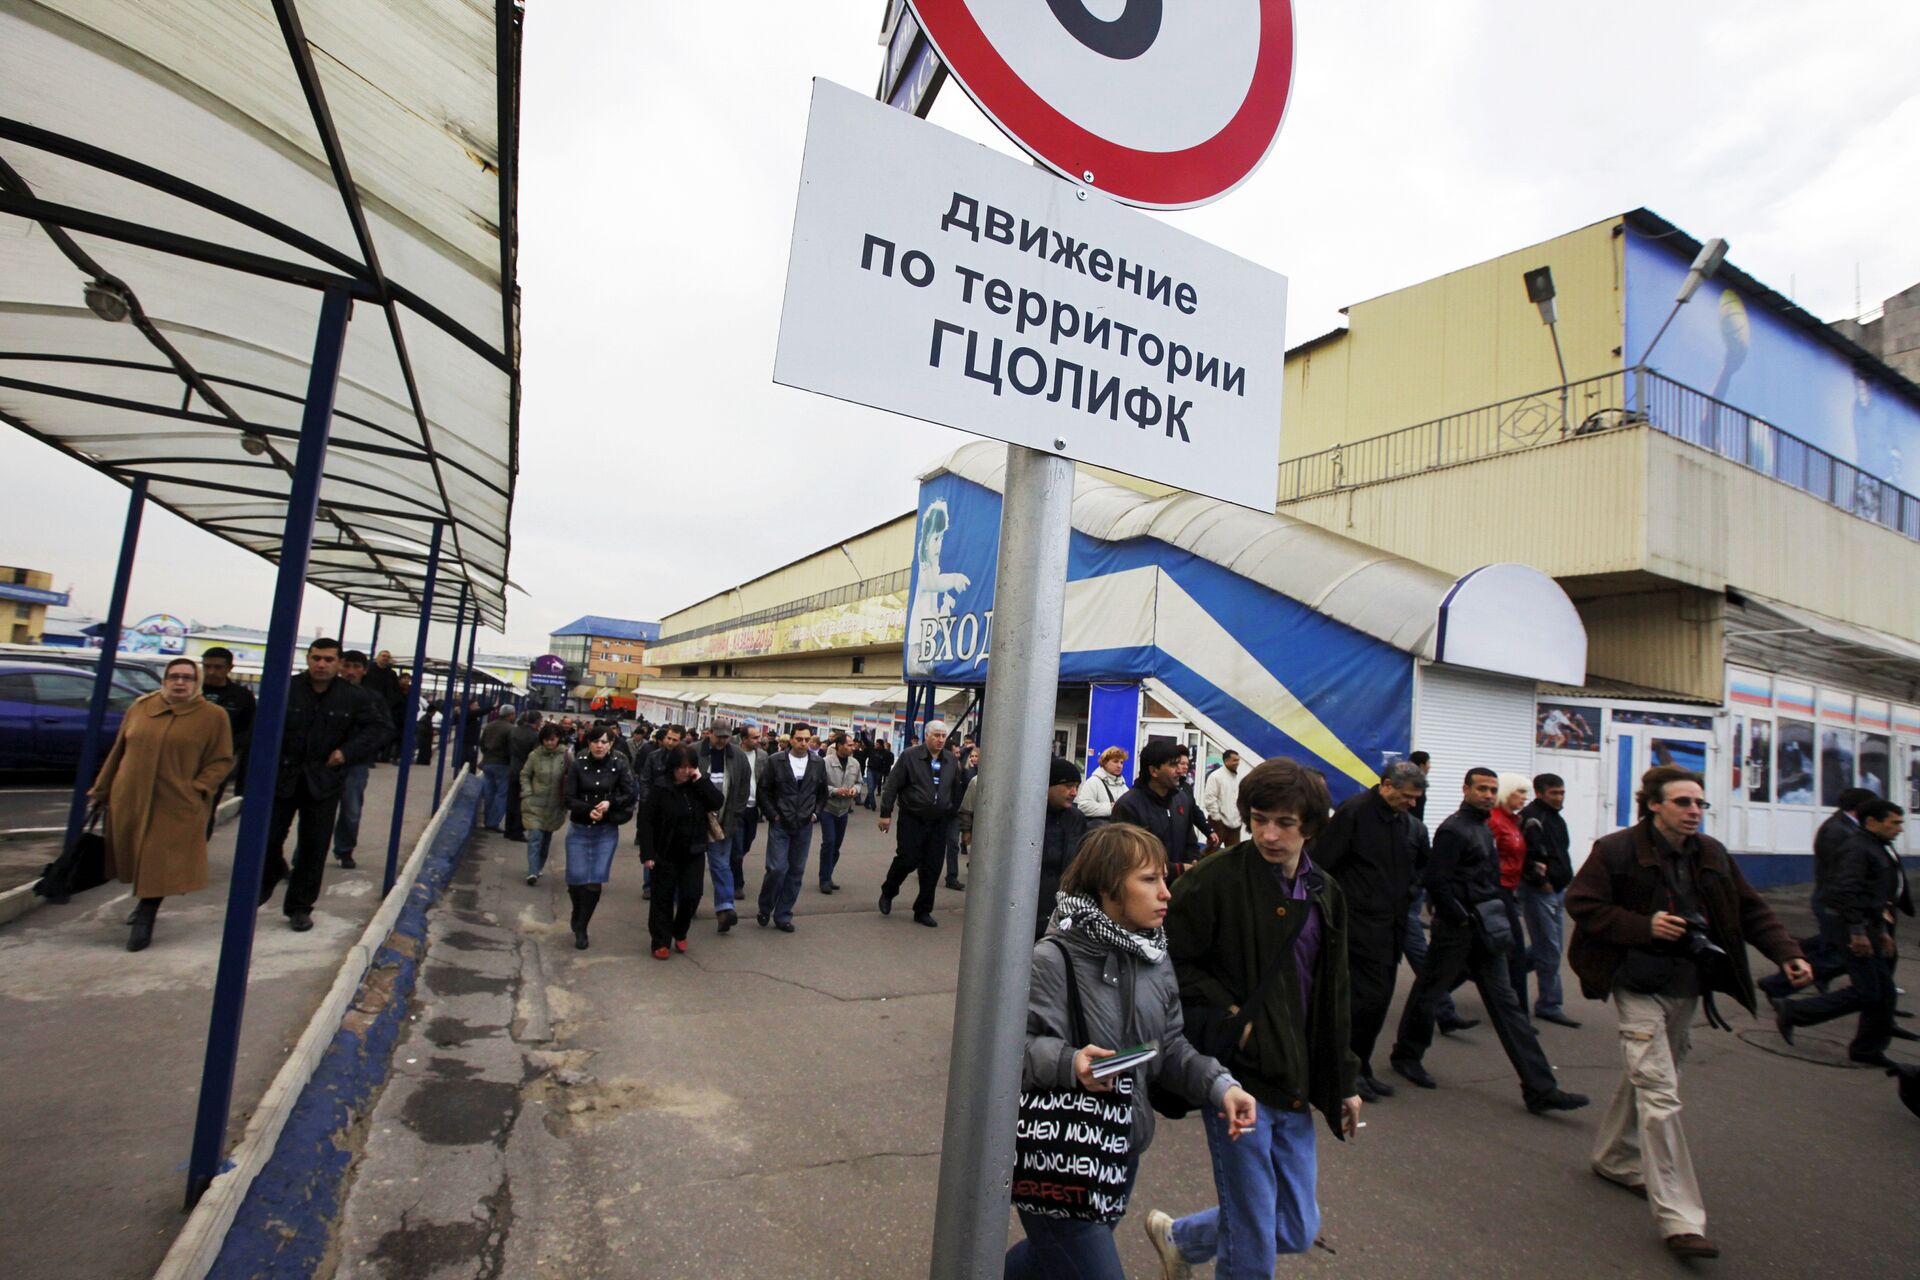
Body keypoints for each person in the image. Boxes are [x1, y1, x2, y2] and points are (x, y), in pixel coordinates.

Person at [1567, 764, 1810, 1261]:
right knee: (1660, 1091)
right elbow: (1582, 903)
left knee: (1653, 1077)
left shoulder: (1713, 855)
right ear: (1654, 804)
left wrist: (1788, 952)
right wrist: (1644, 926)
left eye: (1700, 803)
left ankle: (1614, 1157)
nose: (1694, 811)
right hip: (1634, 982)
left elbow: (1751, 910)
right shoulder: (1616, 850)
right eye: (1683, 802)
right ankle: (1680, 1218)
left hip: (1687, 986)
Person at [1007, 824, 1256, 1280]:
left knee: (1044, 1263)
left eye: (1164, 878)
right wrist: (1070, 1062)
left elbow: (1170, 1047)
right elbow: (1008, 1053)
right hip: (1061, 1150)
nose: (1166, 893)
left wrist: (1222, 1087)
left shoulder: (1154, 955)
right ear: (1108, 888)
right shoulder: (1053, 958)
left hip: (1121, 1148)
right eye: (1149, 880)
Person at [1147, 758, 1361, 1280]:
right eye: (1259, 818)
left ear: (1309, 824)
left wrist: (1345, 1080)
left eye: (1284, 823)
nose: (1269, 833)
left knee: (1294, 1226)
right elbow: (1168, 958)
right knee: (1252, 1242)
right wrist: (1234, 1017)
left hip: (1296, 1078)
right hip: (1237, 1078)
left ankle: (1180, 1238)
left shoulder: (1325, 892)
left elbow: (1332, 994)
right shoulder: (1216, 880)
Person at [1387, 767, 1590, 1114]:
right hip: (1457, 931)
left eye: (1491, 789)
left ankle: (1540, 1088)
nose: (1486, 794)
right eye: (1480, 788)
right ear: (1465, 788)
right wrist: (1460, 917)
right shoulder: (1453, 829)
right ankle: (1406, 1056)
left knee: (1507, 1007)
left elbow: (1490, 879)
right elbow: (1436, 880)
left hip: (1485, 931)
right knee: (1429, 994)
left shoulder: (1483, 828)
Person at [88, 657, 234, 951]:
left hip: (177, 802)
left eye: (188, 678)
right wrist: (101, 790)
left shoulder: (212, 716)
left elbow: (221, 760)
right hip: (130, 796)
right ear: (165, 679)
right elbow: (119, 750)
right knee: (135, 855)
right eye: (174, 676)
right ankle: (141, 902)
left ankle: (146, 913)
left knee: (160, 860)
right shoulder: (141, 707)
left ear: (198, 683)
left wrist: (199, 788)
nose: (180, 682)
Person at [1312, 759, 1429, 1102]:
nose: (1412, 804)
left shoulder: (1403, 822)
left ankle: (1361, 1067)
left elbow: (1415, 866)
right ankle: (1344, 1073)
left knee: (1378, 1002)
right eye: (1407, 796)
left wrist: (1409, 893)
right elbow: (1323, 863)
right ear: (1387, 785)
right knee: (1360, 1003)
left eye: (1416, 799)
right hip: (1358, 928)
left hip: (1392, 926)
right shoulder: (1356, 813)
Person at [261, 639, 388, 932]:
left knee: (313, 846)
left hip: (323, 781)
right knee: (268, 837)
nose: (322, 664)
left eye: (329, 659)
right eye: (316, 658)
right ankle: (269, 874)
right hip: (284, 777)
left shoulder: (353, 697)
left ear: (338, 663)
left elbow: (380, 728)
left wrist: (348, 752)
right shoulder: (287, 688)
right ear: (307, 659)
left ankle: (299, 907)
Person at [1775, 797, 1906, 1067]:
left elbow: (1876, 894)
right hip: (1851, 927)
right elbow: (1846, 892)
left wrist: (1881, 930)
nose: (1900, 828)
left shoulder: (1877, 846)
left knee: (1884, 992)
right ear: (1872, 822)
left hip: (1869, 924)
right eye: (1894, 823)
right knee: (1868, 991)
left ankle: (1868, 1049)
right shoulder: (1857, 848)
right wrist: (1858, 933)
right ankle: (1795, 1011)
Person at [1398, 750, 1469, 1033]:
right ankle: (1442, 1009)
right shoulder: (1379, 819)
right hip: (1393, 905)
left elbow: (1421, 862)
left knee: (1420, 956)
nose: (1413, 801)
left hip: (1403, 899)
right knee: (1421, 956)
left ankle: (1443, 1009)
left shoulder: (1413, 828)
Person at [878, 718, 963, 928]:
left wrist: (952, 810)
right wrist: (885, 813)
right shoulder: (910, 756)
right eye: (936, 735)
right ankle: (889, 890)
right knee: (908, 858)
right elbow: (892, 784)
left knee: (932, 867)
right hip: (912, 818)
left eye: (944, 736)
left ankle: (923, 910)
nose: (941, 740)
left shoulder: (951, 760)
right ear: (926, 736)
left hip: (939, 821)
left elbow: (956, 788)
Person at [641, 744, 724, 959]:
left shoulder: (697, 785)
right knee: (663, 898)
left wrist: (701, 781)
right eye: (682, 767)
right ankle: (660, 940)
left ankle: (680, 930)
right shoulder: (661, 787)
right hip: (665, 852)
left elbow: (717, 801)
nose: (686, 771)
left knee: (691, 895)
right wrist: (648, 854)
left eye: (691, 767)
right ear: (673, 767)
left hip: (693, 851)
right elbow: (647, 822)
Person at [563, 725, 636, 950]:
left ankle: (582, 926)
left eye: (604, 742)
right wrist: (587, 809)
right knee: (576, 878)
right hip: (580, 828)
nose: (600, 745)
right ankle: (577, 911)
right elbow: (568, 797)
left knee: (595, 880)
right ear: (589, 743)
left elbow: (629, 793)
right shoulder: (578, 765)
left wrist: (609, 803)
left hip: (605, 830)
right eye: (596, 741)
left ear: (611, 744)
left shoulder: (619, 765)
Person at [756, 723, 829, 932]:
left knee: (796, 871)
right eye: (799, 739)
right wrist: (774, 815)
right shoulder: (776, 761)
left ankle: (783, 914)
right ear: (791, 740)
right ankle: (765, 906)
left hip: (804, 824)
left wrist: (816, 813)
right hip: (781, 823)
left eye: (807, 739)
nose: (803, 743)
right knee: (777, 868)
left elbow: (822, 792)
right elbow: (764, 791)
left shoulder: (817, 763)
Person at [1519, 772, 1579, 1027]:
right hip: (1539, 892)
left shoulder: (1555, 818)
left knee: (1547, 947)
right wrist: (1542, 883)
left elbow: (1560, 852)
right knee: (1550, 948)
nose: (1559, 797)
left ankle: (1495, 970)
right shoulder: (1533, 818)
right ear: (1540, 793)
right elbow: (1528, 856)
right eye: (1554, 793)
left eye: (1562, 792)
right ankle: (1549, 1004)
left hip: (1556, 890)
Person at [330, 650, 394, 869]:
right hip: (325, 762)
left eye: (356, 667)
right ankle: (306, 854)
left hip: (355, 762)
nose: (350, 672)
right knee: (316, 812)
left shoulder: (373, 698)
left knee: (351, 809)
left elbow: (384, 729)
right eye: (347, 666)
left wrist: (358, 750)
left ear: (364, 670)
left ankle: (345, 850)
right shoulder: (327, 693)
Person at [1112, 740, 1204, 875]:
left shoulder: (1182, 800)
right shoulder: (1128, 806)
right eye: (1173, 765)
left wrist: (1194, 861)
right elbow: (1130, 859)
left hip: (1181, 888)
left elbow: (1190, 842)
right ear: (1154, 771)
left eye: (1180, 763)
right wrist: (1178, 869)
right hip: (1146, 890)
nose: (1179, 770)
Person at [697, 722, 751, 931]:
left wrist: (734, 814)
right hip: (696, 821)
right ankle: (685, 903)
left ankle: (725, 909)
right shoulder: (695, 752)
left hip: (723, 821)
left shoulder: (737, 757)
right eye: (718, 736)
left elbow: (743, 788)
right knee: (689, 865)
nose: (722, 740)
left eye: (726, 737)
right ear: (709, 733)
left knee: (721, 865)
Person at [1488, 773, 1535, 1010]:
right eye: (1521, 792)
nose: (1525, 798)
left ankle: (1439, 1002)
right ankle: (1519, 1012)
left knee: (1488, 954)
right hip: (1498, 891)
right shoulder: (1495, 821)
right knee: (1514, 950)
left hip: (1508, 890)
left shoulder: (1511, 821)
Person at [1033, 757, 1092, 940]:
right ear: (1048, 785)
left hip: (1065, 907)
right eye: (1068, 786)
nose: (1074, 792)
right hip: (1033, 907)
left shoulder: (1077, 818)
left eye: (1076, 786)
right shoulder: (1030, 816)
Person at [199, 646, 254, 825]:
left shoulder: (241, 697)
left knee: (206, 811)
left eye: (217, 667)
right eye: (206, 666)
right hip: (183, 758)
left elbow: (247, 731)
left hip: (217, 762)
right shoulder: (192, 692)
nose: (211, 672)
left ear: (229, 668)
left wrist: (227, 749)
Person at [518, 723, 569, 885]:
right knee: (535, 837)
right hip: (534, 804)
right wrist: (527, 792)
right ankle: (532, 871)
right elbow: (525, 775)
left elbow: (572, 776)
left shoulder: (566, 756)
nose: (549, 743)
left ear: (558, 739)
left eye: (552, 740)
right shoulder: (534, 756)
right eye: (546, 740)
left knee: (546, 839)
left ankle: (538, 867)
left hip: (555, 806)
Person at [820, 732, 864, 894]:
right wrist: (835, 791)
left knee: (836, 846)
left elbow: (859, 783)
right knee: (829, 842)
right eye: (849, 745)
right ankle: (824, 878)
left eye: (853, 745)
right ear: (839, 746)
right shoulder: (825, 763)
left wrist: (855, 790)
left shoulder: (855, 764)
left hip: (843, 810)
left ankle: (829, 874)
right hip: (828, 808)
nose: (853, 747)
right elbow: (819, 785)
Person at [476, 705, 515, 833]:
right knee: (502, 794)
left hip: (488, 762)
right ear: (511, 715)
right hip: (503, 764)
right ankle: (493, 822)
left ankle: (487, 819)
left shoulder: (489, 725)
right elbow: (511, 748)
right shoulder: (510, 729)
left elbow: (481, 743)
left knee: (489, 792)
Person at [505, 710, 543, 842]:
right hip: (526, 773)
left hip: (513, 770)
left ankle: (508, 829)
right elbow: (537, 756)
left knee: (511, 801)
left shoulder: (514, 731)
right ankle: (517, 831)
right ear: (537, 721)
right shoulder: (535, 736)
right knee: (523, 803)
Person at [1202, 749, 1245, 848]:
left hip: (1235, 824)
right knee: (1211, 852)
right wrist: (1216, 818)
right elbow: (1209, 799)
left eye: (1238, 760)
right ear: (1226, 761)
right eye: (1234, 760)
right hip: (1218, 822)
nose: (1237, 763)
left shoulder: (1237, 777)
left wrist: (1239, 817)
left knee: (1234, 853)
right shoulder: (1215, 776)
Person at [1076, 747, 1129, 824]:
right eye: (1115, 761)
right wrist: (1111, 808)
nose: (1119, 766)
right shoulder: (1093, 782)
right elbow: (1083, 806)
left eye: (1121, 762)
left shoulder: (1122, 785)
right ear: (1105, 763)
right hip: (1099, 832)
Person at [865, 734, 893, 811]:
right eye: (875, 744)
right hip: (870, 770)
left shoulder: (885, 753)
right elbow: (866, 741)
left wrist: (885, 771)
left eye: (877, 744)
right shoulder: (872, 749)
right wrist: (863, 732)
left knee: (873, 788)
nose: (875, 745)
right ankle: (873, 805)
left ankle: (866, 803)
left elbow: (889, 762)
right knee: (870, 788)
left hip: (878, 772)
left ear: (880, 745)